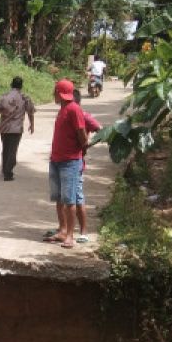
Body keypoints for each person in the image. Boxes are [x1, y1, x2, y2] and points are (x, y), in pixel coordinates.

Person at [44, 79, 88, 249]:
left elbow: (82, 135)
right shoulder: (62, 109)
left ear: (59, 93)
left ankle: (70, 235)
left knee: (70, 200)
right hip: (56, 160)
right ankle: (62, 230)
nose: (53, 94)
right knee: (59, 198)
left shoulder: (74, 109)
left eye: (55, 91)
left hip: (69, 162)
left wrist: (80, 153)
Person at [0, 76, 35, 181]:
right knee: (12, 150)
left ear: (11, 84)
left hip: (4, 128)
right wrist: (32, 124)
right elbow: (30, 112)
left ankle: (4, 169)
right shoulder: (24, 97)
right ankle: (8, 173)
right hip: (16, 129)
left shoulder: (4, 96)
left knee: (5, 149)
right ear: (21, 86)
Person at [71, 88, 102, 242]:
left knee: (77, 197)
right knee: (64, 199)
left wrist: (87, 145)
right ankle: (63, 228)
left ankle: (83, 232)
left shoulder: (84, 117)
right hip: (63, 162)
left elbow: (101, 130)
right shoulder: (63, 115)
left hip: (75, 162)